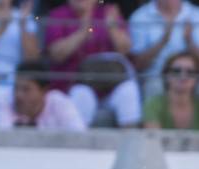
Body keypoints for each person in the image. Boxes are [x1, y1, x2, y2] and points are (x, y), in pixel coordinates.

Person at [43, 0, 139, 128]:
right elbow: (57, 55)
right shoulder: (58, 15)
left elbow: (125, 50)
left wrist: (112, 28)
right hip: (74, 84)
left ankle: (130, 143)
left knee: (128, 90)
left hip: (109, 85)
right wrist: (82, 33)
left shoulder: (108, 12)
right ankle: (79, 146)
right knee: (82, 95)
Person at [128, 0, 199, 80]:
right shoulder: (139, 17)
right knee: (154, 86)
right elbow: (138, 65)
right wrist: (163, 41)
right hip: (155, 77)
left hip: (192, 78)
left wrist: (189, 41)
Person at [0, 60, 89, 129]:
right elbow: (2, 141)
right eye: (16, 88)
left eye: (26, 89)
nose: (18, 95)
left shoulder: (59, 103)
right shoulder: (4, 105)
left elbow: (78, 135)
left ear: (44, 91)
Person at [143, 51, 199, 129]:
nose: (183, 76)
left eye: (190, 72)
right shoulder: (153, 105)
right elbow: (153, 138)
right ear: (167, 75)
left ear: (197, 78)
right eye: (177, 71)